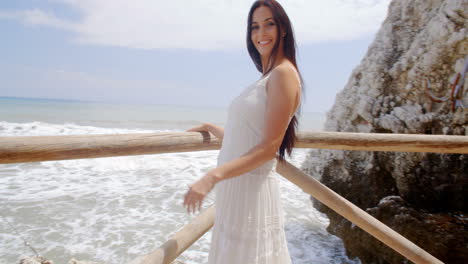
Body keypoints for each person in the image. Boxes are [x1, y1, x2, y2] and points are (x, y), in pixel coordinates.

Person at [183, 0, 303, 263]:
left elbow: (268, 148)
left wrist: (211, 177)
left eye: (269, 24)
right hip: (236, 193)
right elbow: (248, 137)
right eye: (255, 27)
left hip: (251, 194)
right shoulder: (267, 76)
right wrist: (211, 128)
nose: (261, 34)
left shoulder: (283, 74)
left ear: (283, 28)